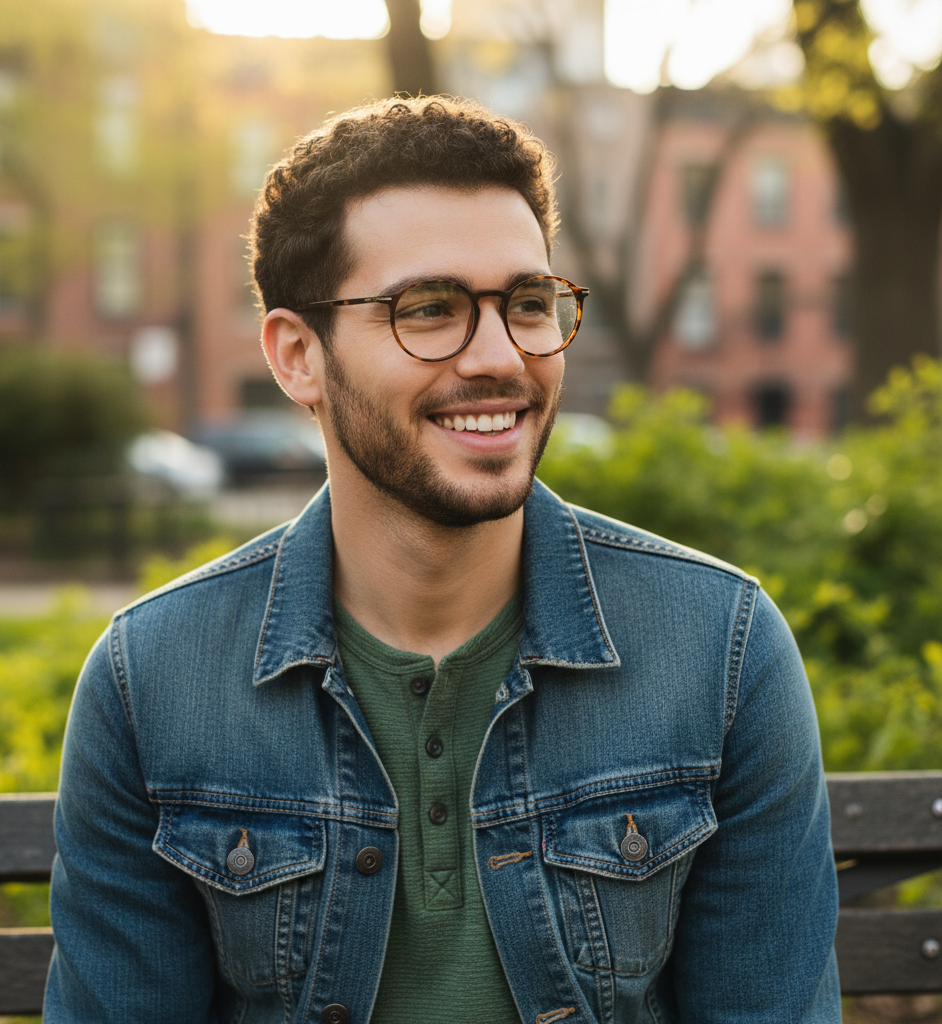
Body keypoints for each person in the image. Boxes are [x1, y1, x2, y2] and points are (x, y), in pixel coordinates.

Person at [45, 96, 841, 1023]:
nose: (502, 356)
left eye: (530, 305)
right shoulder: (153, 681)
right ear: (298, 355)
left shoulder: (721, 650)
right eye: (430, 309)